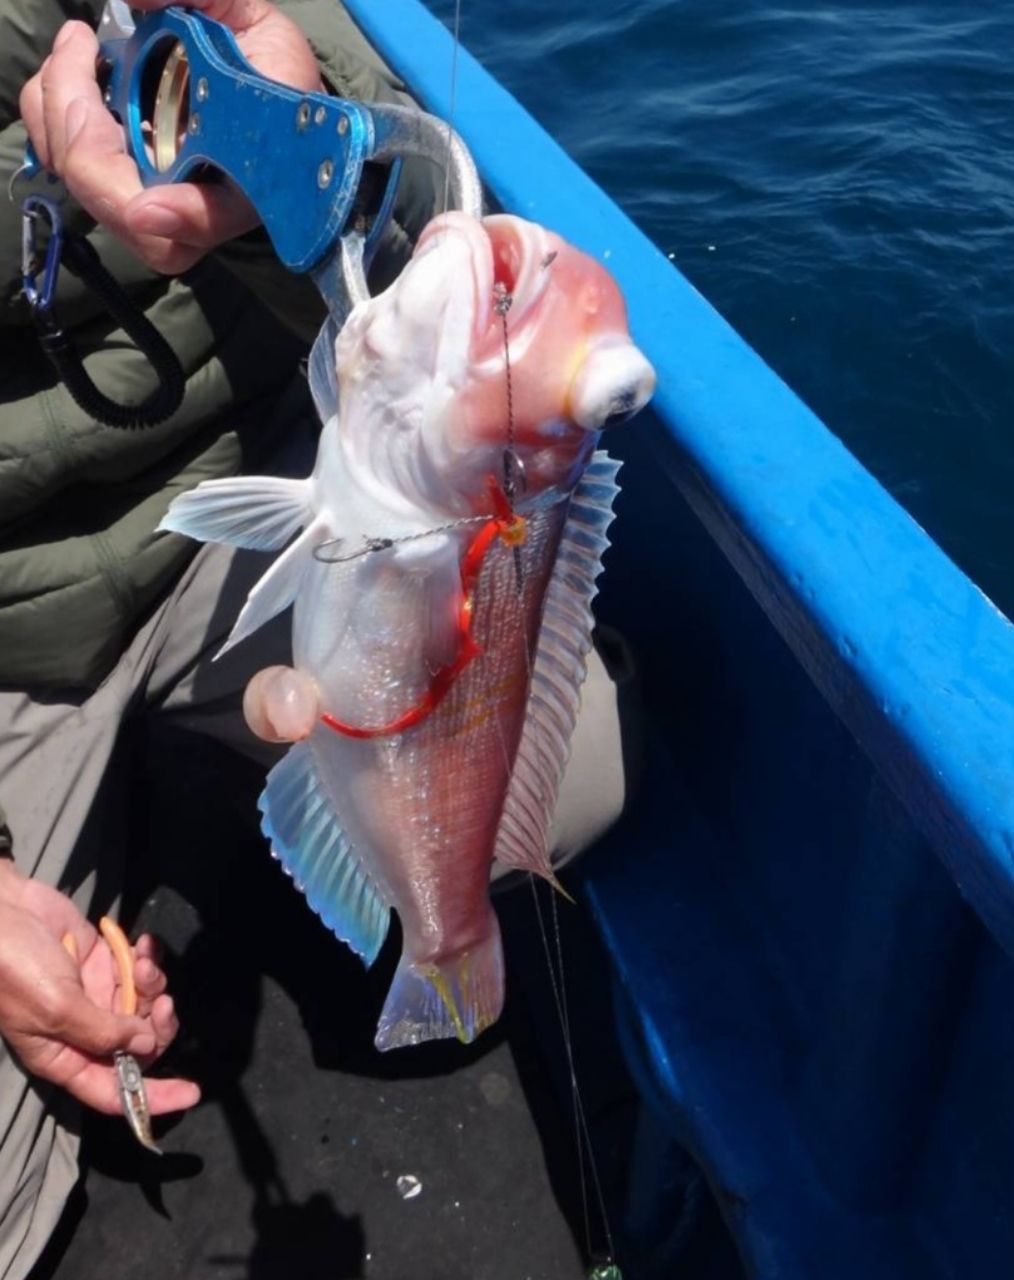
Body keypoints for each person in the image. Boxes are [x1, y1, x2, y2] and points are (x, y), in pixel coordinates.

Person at [0, 1, 630, 1276]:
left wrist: (318, 156)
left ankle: (366, 870)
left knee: (581, 770)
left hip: (253, 501)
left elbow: (405, 204)